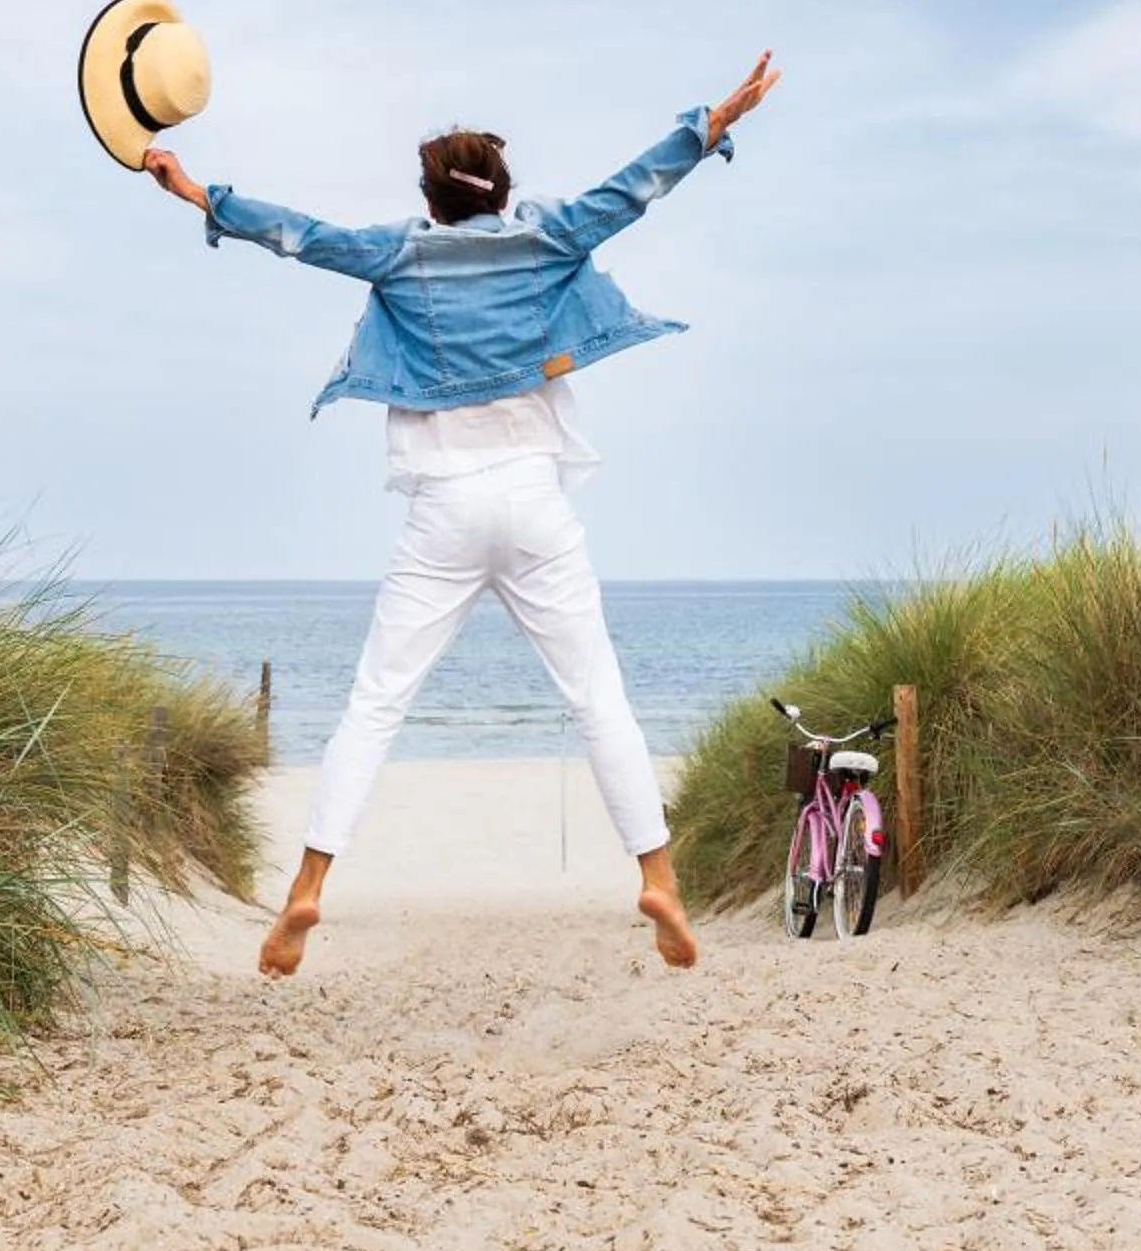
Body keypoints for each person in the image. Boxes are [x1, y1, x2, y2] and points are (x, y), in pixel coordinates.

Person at [141, 52, 782, 975]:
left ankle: (308, 890)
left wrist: (195, 189)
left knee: (374, 703)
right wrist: (717, 119)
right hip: (533, 502)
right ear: (500, 194)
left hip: (442, 510)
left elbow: (298, 233)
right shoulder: (548, 238)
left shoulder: (399, 252)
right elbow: (634, 188)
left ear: (433, 200)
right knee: (600, 699)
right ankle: (660, 883)